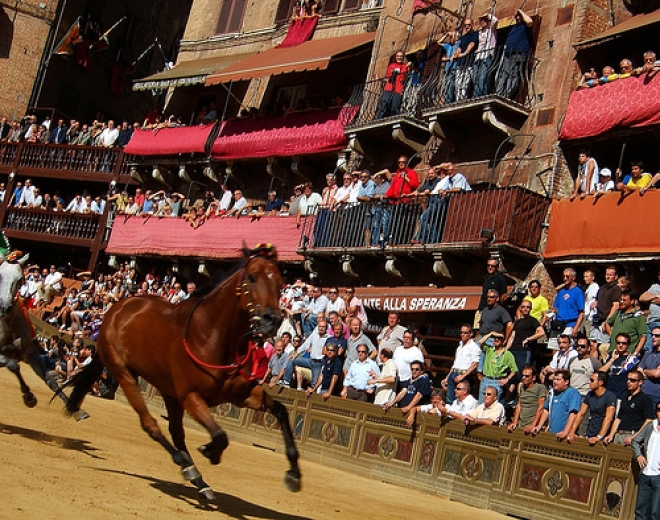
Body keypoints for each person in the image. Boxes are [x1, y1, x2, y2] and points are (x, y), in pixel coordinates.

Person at [528, 369, 582, 440]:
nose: (555, 382)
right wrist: (539, 426)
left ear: (566, 382)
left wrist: (565, 432)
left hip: (564, 436)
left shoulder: (573, 393)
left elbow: (573, 414)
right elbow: (546, 410)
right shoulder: (552, 392)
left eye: (558, 379)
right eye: (554, 379)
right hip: (551, 434)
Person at [604, 369, 653, 446]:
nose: (628, 382)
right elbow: (618, 418)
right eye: (627, 379)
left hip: (632, 434)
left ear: (640, 382)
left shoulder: (645, 399)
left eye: (632, 380)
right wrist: (611, 434)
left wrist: (635, 437)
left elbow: (649, 420)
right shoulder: (625, 397)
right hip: (619, 434)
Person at [568, 371, 616, 445]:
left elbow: (608, 418)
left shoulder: (610, 397)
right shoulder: (590, 395)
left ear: (600, 382)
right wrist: (572, 432)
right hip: (589, 433)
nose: (589, 382)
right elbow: (581, 414)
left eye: (592, 380)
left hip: (602, 437)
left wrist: (599, 437)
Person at [496, 9, 533, 99]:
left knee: (513, 75)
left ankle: (507, 95)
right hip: (508, 54)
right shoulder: (514, 28)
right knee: (503, 74)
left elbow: (530, 21)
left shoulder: (525, 26)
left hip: (518, 54)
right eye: (516, 16)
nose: (517, 17)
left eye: (518, 16)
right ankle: (499, 94)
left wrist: (520, 11)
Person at [632, 404, 660, 520]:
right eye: (659, 409)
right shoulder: (650, 426)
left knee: (655, 513)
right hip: (646, 472)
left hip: (658, 476)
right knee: (640, 510)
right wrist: (638, 455)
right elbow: (635, 441)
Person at [442, 324, 481, 404]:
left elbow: (475, 363)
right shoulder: (460, 346)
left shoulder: (474, 347)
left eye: (465, 333)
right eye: (461, 332)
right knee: (449, 399)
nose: (462, 335)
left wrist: (463, 376)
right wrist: (448, 376)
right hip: (454, 373)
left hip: (464, 375)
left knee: (462, 399)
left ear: (471, 334)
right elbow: (455, 363)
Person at [507, 300, 545, 376]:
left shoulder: (533, 321)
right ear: (520, 308)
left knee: (522, 374)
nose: (525, 309)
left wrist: (528, 339)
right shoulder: (517, 322)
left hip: (524, 350)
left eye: (528, 307)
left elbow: (541, 332)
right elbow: (512, 337)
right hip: (514, 349)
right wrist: (506, 349)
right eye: (523, 307)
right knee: (512, 374)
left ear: (530, 309)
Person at [600, 333, 641, 401]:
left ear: (628, 344)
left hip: (621, 396)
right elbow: (601, 373)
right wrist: (612, 359)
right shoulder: (611, 357)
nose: (621, 345)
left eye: (624, 343)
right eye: (618, 343)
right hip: (607, 394)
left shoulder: (632, 360)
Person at [605, 289, 646, 355]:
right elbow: (607, 323)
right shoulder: (618, 313)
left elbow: (643, 337)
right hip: (613, 352)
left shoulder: (638, 316)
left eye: (624, 300)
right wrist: (611, 334)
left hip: (627, 354)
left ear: (632, 301)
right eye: (620, 299)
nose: (621, 302)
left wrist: (635, 353)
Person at [511, 365, 546, 433]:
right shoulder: (522, 387)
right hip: (521, 424)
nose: (523, 378)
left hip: (532, 426)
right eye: (523, 375)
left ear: (534, 377)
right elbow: (519, 404)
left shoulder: (540, 388)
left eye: (527, 376)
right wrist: (514, 422)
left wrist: (532, 425)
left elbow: (541, 408)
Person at [551, 268, 584, 340]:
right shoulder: (561, 292)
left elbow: (581, 313)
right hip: (558, 324)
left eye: (567, 276)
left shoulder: (578, 292)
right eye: (564, 276)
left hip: (570, 325)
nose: (565, 278)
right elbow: (555, 308)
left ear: (573, 277)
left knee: (566, 348)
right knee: (554, 349)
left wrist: (576, 327)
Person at [475, 257, 508, 329]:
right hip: (481, 308)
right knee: (477, 329)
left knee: (488, 330)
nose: (490, 267)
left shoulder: (501, 279)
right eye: (488, 265)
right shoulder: (486, 278)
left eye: (492, 266)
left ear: (497, 267)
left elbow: (503, 296)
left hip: (492, 310)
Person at [377, 51, 409, 118]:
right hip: (388, 88)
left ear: (403, 58)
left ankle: (394, 121)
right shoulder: (391, 66)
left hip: (398, 89)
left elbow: (406, 78)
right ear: (396, 57)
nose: (399, 57)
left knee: (395, 107)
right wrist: (380, 79)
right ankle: (379, 120)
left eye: (401, 56)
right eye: (398, 56)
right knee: (384, 105)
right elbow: (387, 78)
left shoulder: (405, 66)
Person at [641, 268, 660, 354]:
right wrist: (655, 296)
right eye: (659, 274)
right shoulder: (655, 286)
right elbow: (642, 298)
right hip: (650, 321)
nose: (659, 276)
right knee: (648, 347)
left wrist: (650, 298)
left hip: (659, 321)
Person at [641, 327, 660, 407]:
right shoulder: (648, 353)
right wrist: (650, 373)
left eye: (657, 335)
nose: (653, 337)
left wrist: (645, 371)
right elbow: (639, 371)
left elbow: (656, 374)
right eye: (652, 335)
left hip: (656, 395)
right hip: (642, 393)